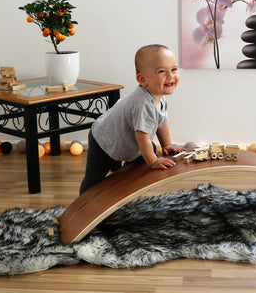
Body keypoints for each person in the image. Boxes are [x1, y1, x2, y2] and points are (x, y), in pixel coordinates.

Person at [79, 44, 184, 194]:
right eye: (162, 71)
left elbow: (162, 123)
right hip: (104, 140)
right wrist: (153, 161)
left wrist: (166, 145)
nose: (171, 75)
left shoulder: (159, 97)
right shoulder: (142, 104)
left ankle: (124, 188)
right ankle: (82, 206)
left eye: (174, 69)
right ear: (142, 79)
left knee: (145, 157)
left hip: (126, 141)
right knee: (94, 180)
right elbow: (142, 138)